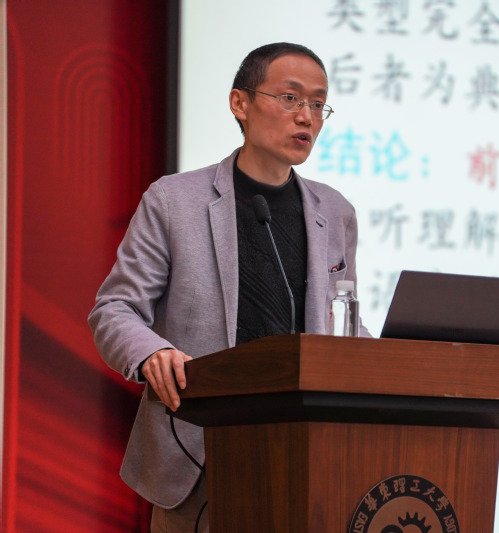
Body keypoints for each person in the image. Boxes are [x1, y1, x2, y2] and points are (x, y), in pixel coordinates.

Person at [89, 42, 367, 532]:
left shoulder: (335, 210)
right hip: (198, 452)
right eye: (290, 98)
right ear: (240, 103)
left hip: (308, 453)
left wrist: (391, 364)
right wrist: (153, 352)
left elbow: (344, 323)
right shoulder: (174, 200)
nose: (306, 116)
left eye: (318, 103)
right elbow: (114, 308)